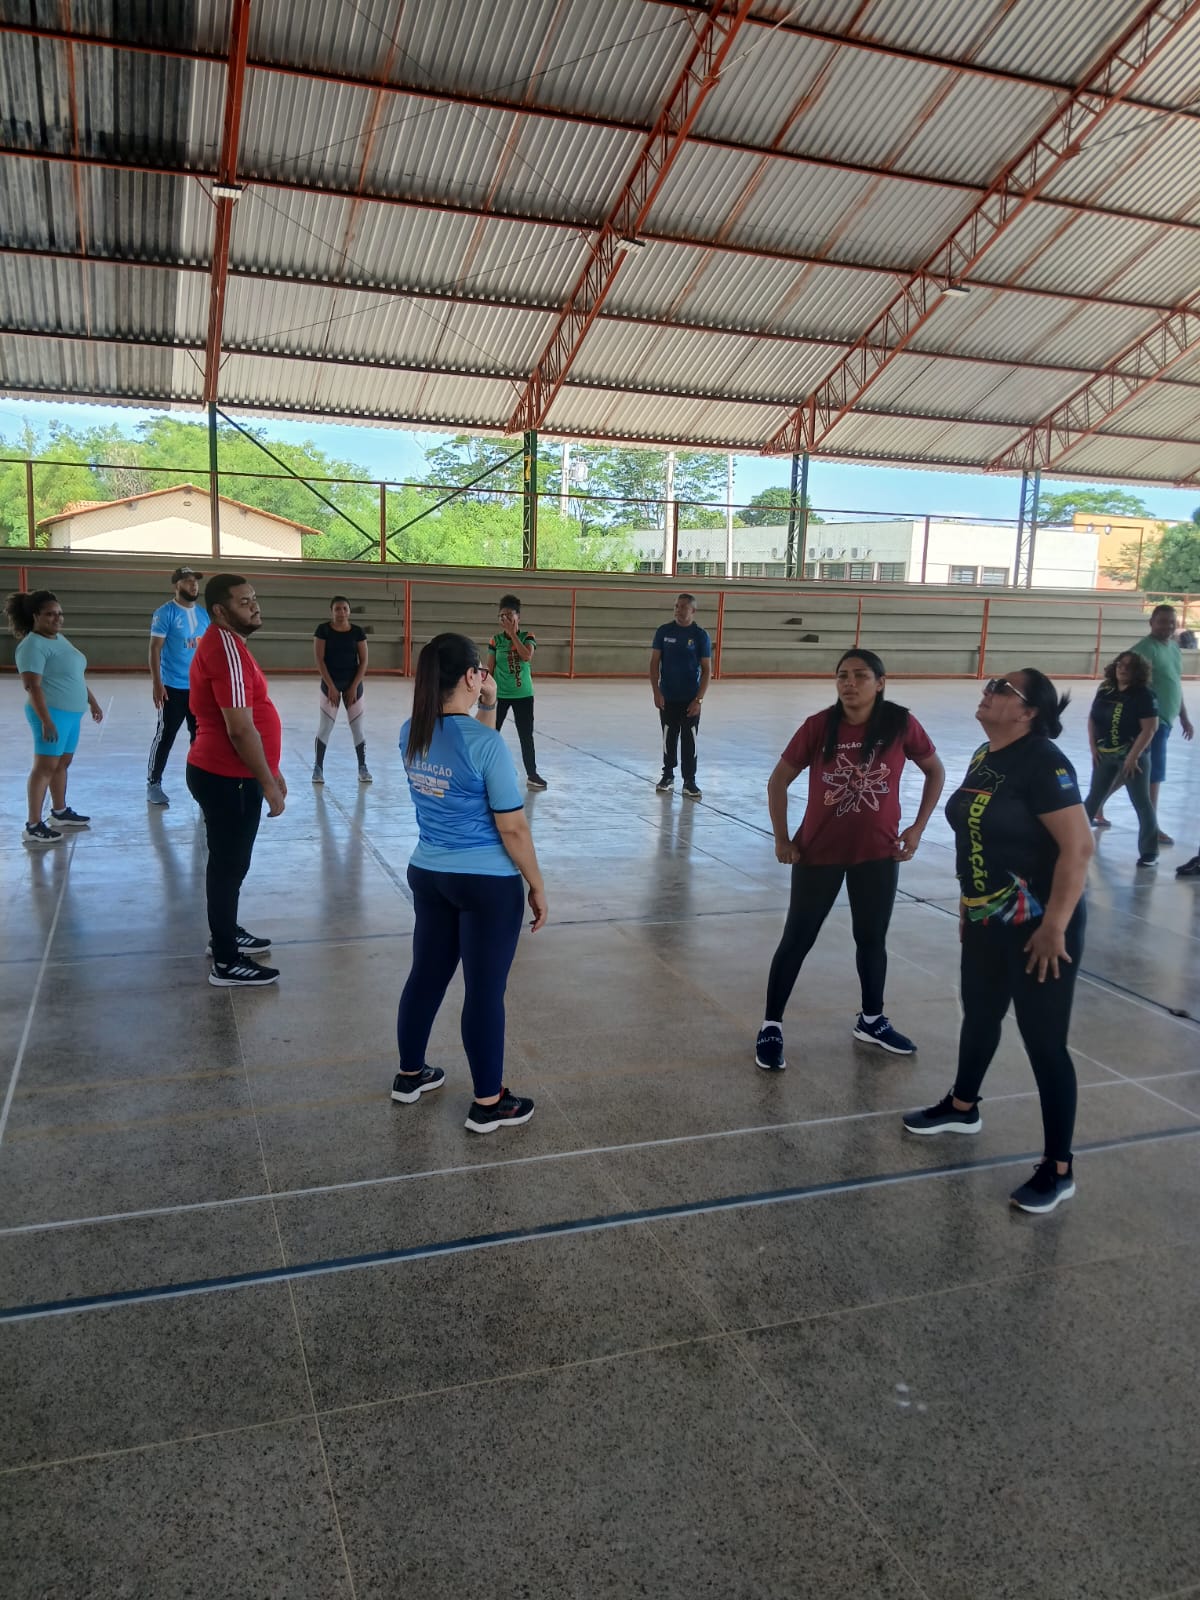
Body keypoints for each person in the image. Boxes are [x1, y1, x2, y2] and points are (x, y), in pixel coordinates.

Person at [902, 671, 1094, 1215]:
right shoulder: (985, 756)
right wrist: (969, 905)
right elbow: (976, 839)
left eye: (1002, 688)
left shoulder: (1045, 763)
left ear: (1029, 712)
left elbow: (1078, 848)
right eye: (991, 684)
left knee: (1044, 1042)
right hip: (988, 917)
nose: (988, 692)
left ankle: (1059, 1168)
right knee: (980, 1014)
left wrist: (1055, 926)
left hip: (1040, 927)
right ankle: (963, 1106)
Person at [756, 649, 945, 1071]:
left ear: (880, 683)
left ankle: (872, 1020)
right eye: (842, 675)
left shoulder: (900, 724)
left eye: (860, 675)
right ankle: (771, 1026)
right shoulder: (819, 726)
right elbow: (778, 781)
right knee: (797, 939)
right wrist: (782, 839)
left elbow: (935, 770)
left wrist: (917, 828)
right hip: (818, 854)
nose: (850, 683)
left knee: (872, 940)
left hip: (877, 855)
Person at [392, 632, 547, 1133]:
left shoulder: (410, 732)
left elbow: (462, 752)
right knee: (483, 992)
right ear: (469, 676)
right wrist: (537, 883)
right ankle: (488, 1102)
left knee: (426, 976)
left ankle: (410, 1074)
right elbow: (512, 827)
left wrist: (488, 705)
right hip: (486, 885)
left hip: (429, 874)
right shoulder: (488, 745)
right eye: (479, 670)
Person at [187, 575, 284, 987]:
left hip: (233, 774)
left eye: (254, 599)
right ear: (220, 611)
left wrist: (271, 767)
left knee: (230, 864)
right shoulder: (225, 648)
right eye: (244, 602)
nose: (254, 606)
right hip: (229, 777)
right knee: (228, 867)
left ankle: (225, 932)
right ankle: (226, 961)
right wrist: (267, 782)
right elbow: (240, 729)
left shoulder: (230, 644)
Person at [7, 590, 103, 848]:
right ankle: (33, 825)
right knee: (45, 767)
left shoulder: (59, 638)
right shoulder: (32, 645)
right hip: (51, 714)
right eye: (50, 614)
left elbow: (73, 675)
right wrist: (46, 720)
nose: (57, 618)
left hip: (71, 714)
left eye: (59, 614)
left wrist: (92, 701)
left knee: (62, 763)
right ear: (35, 616)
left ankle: (59, 812)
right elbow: (33, 686)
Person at [1093, 605, 1192, 841]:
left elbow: (1173, 683)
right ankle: (1151, 827)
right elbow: (1121, 681)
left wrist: (1183, 715)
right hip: (1150, 722)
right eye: (1162, 621)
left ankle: (1096, 804)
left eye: (1171, 621)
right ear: (1151, 623)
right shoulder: (1143, 650)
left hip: (1166, 720)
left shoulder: (1174, 648)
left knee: (1130, 769)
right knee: (1153, 774)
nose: (1167, 626)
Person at [1083, 652, 1159, 866]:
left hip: (1133, 757)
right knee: (1093, 798)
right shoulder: (1105, 689)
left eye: (1129, 666)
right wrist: (1093, 748)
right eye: (1120, 665)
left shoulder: (1144, 695)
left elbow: (1149, 729)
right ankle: (1074, 841)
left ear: (1138, 671)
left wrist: (1133, 757)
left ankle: (1149, 852)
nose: (1123, 669)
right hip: (1104, 754)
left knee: (1141, 803)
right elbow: (1092, 719)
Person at [147, 565, 209, 806]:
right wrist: (157, 683)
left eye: (195, 581)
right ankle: (153, 782)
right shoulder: (165, 613)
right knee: (166, 735)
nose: (193, 585)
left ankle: (200, 784)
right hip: (173, 687)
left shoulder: (203, 615)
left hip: (199, 688)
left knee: (201, 737)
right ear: (177, 585)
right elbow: (155, 649)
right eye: (187, 581)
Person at [651, 593, 711, 799]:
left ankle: (690, 780)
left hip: (690, 699)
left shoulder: (700, 636)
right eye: (676, 606)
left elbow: (707, 670)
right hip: (668, 697)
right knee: (669, 736)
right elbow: (654, 663)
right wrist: (656, 691)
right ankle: (667, 775)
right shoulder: (664, 631)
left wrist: (699, 699)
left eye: (683, 606)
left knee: (689, 739)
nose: (678, 610)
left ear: (693, 610)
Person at [488, 593, 546, 790]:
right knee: (491, 734)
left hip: (523, 695)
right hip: (500, 695)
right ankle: (485, 771)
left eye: (509, 615)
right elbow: (490, 668)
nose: (505, 619)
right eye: (501, 616)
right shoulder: (495, 640)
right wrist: (485, 693)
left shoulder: (527, 636)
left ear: (518, 617)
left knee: (525, 735)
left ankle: (532, 774)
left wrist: (513, 634)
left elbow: (526, 656)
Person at [312, 595, 370, 785]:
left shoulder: (357, 632)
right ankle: (318, 768)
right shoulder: (323, 630)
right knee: (325, 727)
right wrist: (331, 686)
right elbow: (320, 660)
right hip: (330, 683)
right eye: (337, 608)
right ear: (331, 611)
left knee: (357, 728)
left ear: (349, 611)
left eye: (345, 608)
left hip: (353, 683)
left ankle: (363, 767)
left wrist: (353, 687)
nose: (341, 612)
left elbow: (364, 661)